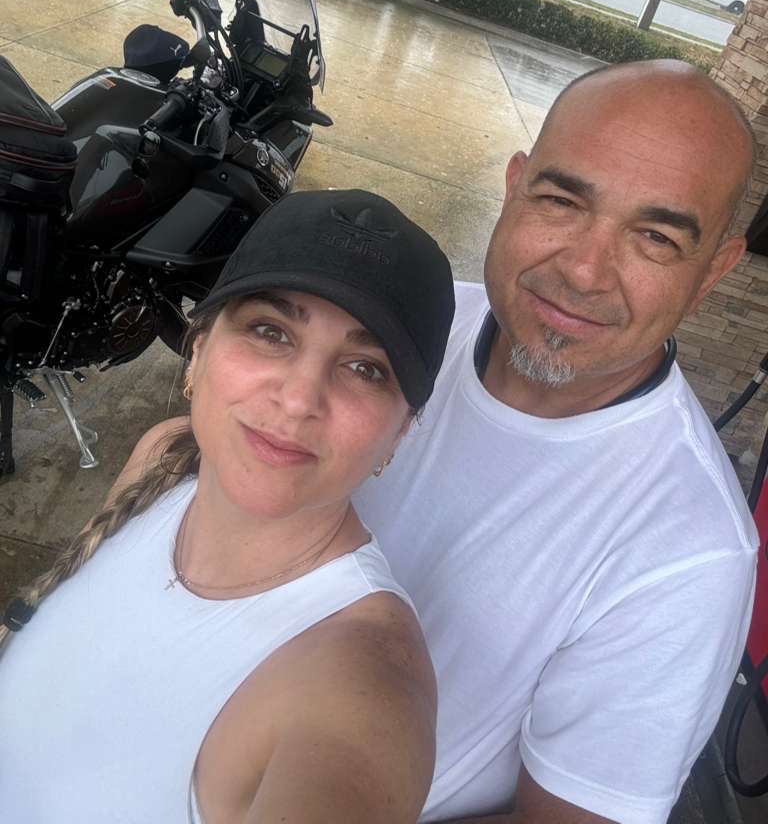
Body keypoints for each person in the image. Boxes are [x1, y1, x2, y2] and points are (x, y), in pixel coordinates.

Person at [354, 59, 760, 824]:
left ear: (713, 272)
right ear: (514, 187)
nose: (583, 269)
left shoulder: (686, 553)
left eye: (656, 237)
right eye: (562, 200)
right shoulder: (399, 329)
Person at [0, 189, 455, 823]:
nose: (298, 400)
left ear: (400, 431)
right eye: (271, 332)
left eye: (365, 368)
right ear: (198, 349)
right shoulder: (164, 457)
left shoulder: (361, 682)